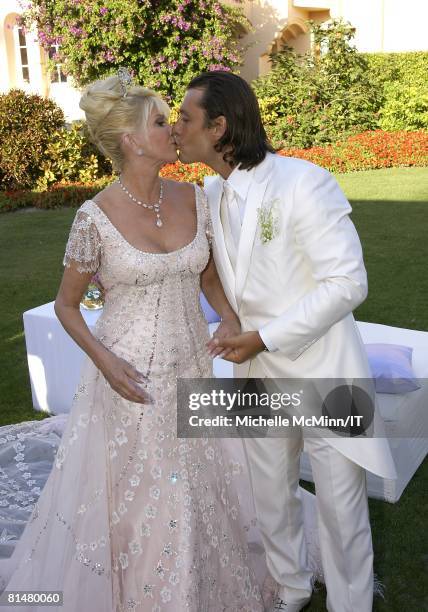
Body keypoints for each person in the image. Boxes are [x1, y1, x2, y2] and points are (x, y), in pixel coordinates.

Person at [0, 72, 267, 611]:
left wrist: (235, 324)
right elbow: (66, 306)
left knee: (195, 485)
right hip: (130, 376)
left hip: (190, 361)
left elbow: (208, 277)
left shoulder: (194, 196)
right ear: (129, 140)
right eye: (162, 123)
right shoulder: (93, 218)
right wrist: (105, 362)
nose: (175, 131)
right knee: (146, 494)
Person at [172, 71, 397, 612]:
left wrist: (264, 338)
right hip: (253, 377)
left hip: (324, 372)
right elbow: (228, 279)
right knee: (271, 500)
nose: (177, 128)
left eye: (185, 118)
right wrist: (231, 323)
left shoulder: (304, 182)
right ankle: (290, 591)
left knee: (342, 513)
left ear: (219, 127)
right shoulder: (210, 192)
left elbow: (348, 282)